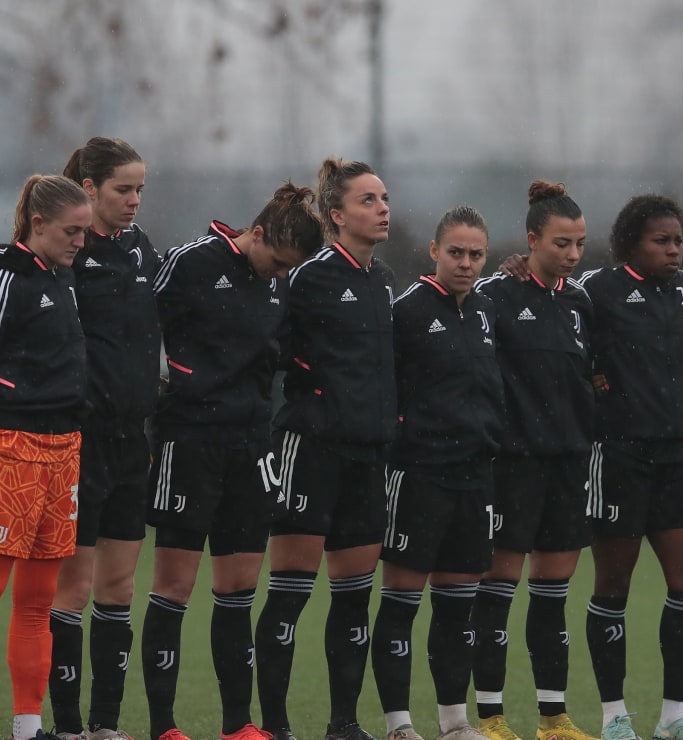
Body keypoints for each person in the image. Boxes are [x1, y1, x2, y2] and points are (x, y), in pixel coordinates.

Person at [141, 183, 323, 740]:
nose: (278, 275)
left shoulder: (278, 284)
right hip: (189, 441)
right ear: (258, 232)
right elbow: (140, 324)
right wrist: (168, 380)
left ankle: (237, 725)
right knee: (174, 587)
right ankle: (165, 727)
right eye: (276, 262)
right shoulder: (192, 262)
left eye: (287, 270)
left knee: (239, 590)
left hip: (250, 446)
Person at [0, 174, 92, 740]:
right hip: (8, 449)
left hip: (63, 453)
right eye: (71, 231)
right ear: (37, 225)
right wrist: (19, 396)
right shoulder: (6, 276)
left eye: (84, 231)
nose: (80, 241)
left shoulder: (63, 278)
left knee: (38, 603)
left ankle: (28, 728)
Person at [255, 158, 395, 740]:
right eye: (368, 200)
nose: (383, 207)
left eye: (385, 197)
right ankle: (277, 727)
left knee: (353, 600)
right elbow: (268, 351)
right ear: (337, 215)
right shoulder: (308, 278)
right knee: (289, 595)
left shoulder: (385, 281)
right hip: (311, 451)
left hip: (368, 458)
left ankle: (343, 724)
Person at [576, 195, 683, 740]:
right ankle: (614, 717)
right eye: (662, 240)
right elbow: (554, 327)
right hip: (617, 455)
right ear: (632, 242)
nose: (674, 249)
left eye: (678, 239)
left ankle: (675, 718)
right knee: (614, 584)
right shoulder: (596, 290)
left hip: (675, 453)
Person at [370, 205, 504, 740]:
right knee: (401, 602)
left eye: (476, 254)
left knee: (457, 609)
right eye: (456, 252)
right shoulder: (407, 311)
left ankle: (454, 721)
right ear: (434, 251)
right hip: (420, 474)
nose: (466, 263)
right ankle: (400, 724)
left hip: (475, 477)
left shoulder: (487, 311)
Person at [470, 181, 597, 740]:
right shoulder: (495, 296)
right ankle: (492, 716)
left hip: (569, 463)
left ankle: (553, 716)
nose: (572, 255)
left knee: (552, 596)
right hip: (511, 465)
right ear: (530, 241)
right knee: (496, 592)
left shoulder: (580, 301)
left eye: (580, 244)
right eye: (561, 243)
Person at [47, 136, 159, 740]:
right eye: (123, 189)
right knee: (75, 587)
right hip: (81, 443)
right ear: (89, 190)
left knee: (118, 588)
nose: (135, 200)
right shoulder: (68, 252)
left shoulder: (141, 249)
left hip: (131, 442)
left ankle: (105, 726)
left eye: (140, 188)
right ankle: (66, 727)